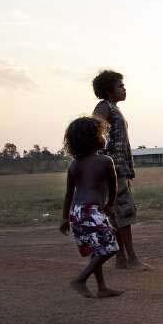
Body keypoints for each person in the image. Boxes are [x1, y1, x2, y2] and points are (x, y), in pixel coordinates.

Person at [60, 116, 124, 298]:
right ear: (93, 139)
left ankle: (102, 288)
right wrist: (110, 206)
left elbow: (68, 194)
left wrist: (65, 218)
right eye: (102, 134)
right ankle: (80, 279)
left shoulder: (74, 165)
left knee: (97, 249)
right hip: (92, 211)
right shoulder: (105, 161)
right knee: (111, 247)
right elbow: (114, 187)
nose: (105, 137)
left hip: (76, 212)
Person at [92, 70, 149, 270]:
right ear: (109, 90)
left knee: (116, 213)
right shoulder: (104, 107)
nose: (124, 89)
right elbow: (94, 130)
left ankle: (121, 258)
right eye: (120, 86)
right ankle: (131, 259)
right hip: (112, 170)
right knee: (124, 212)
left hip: (116, 168)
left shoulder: (113, 108)